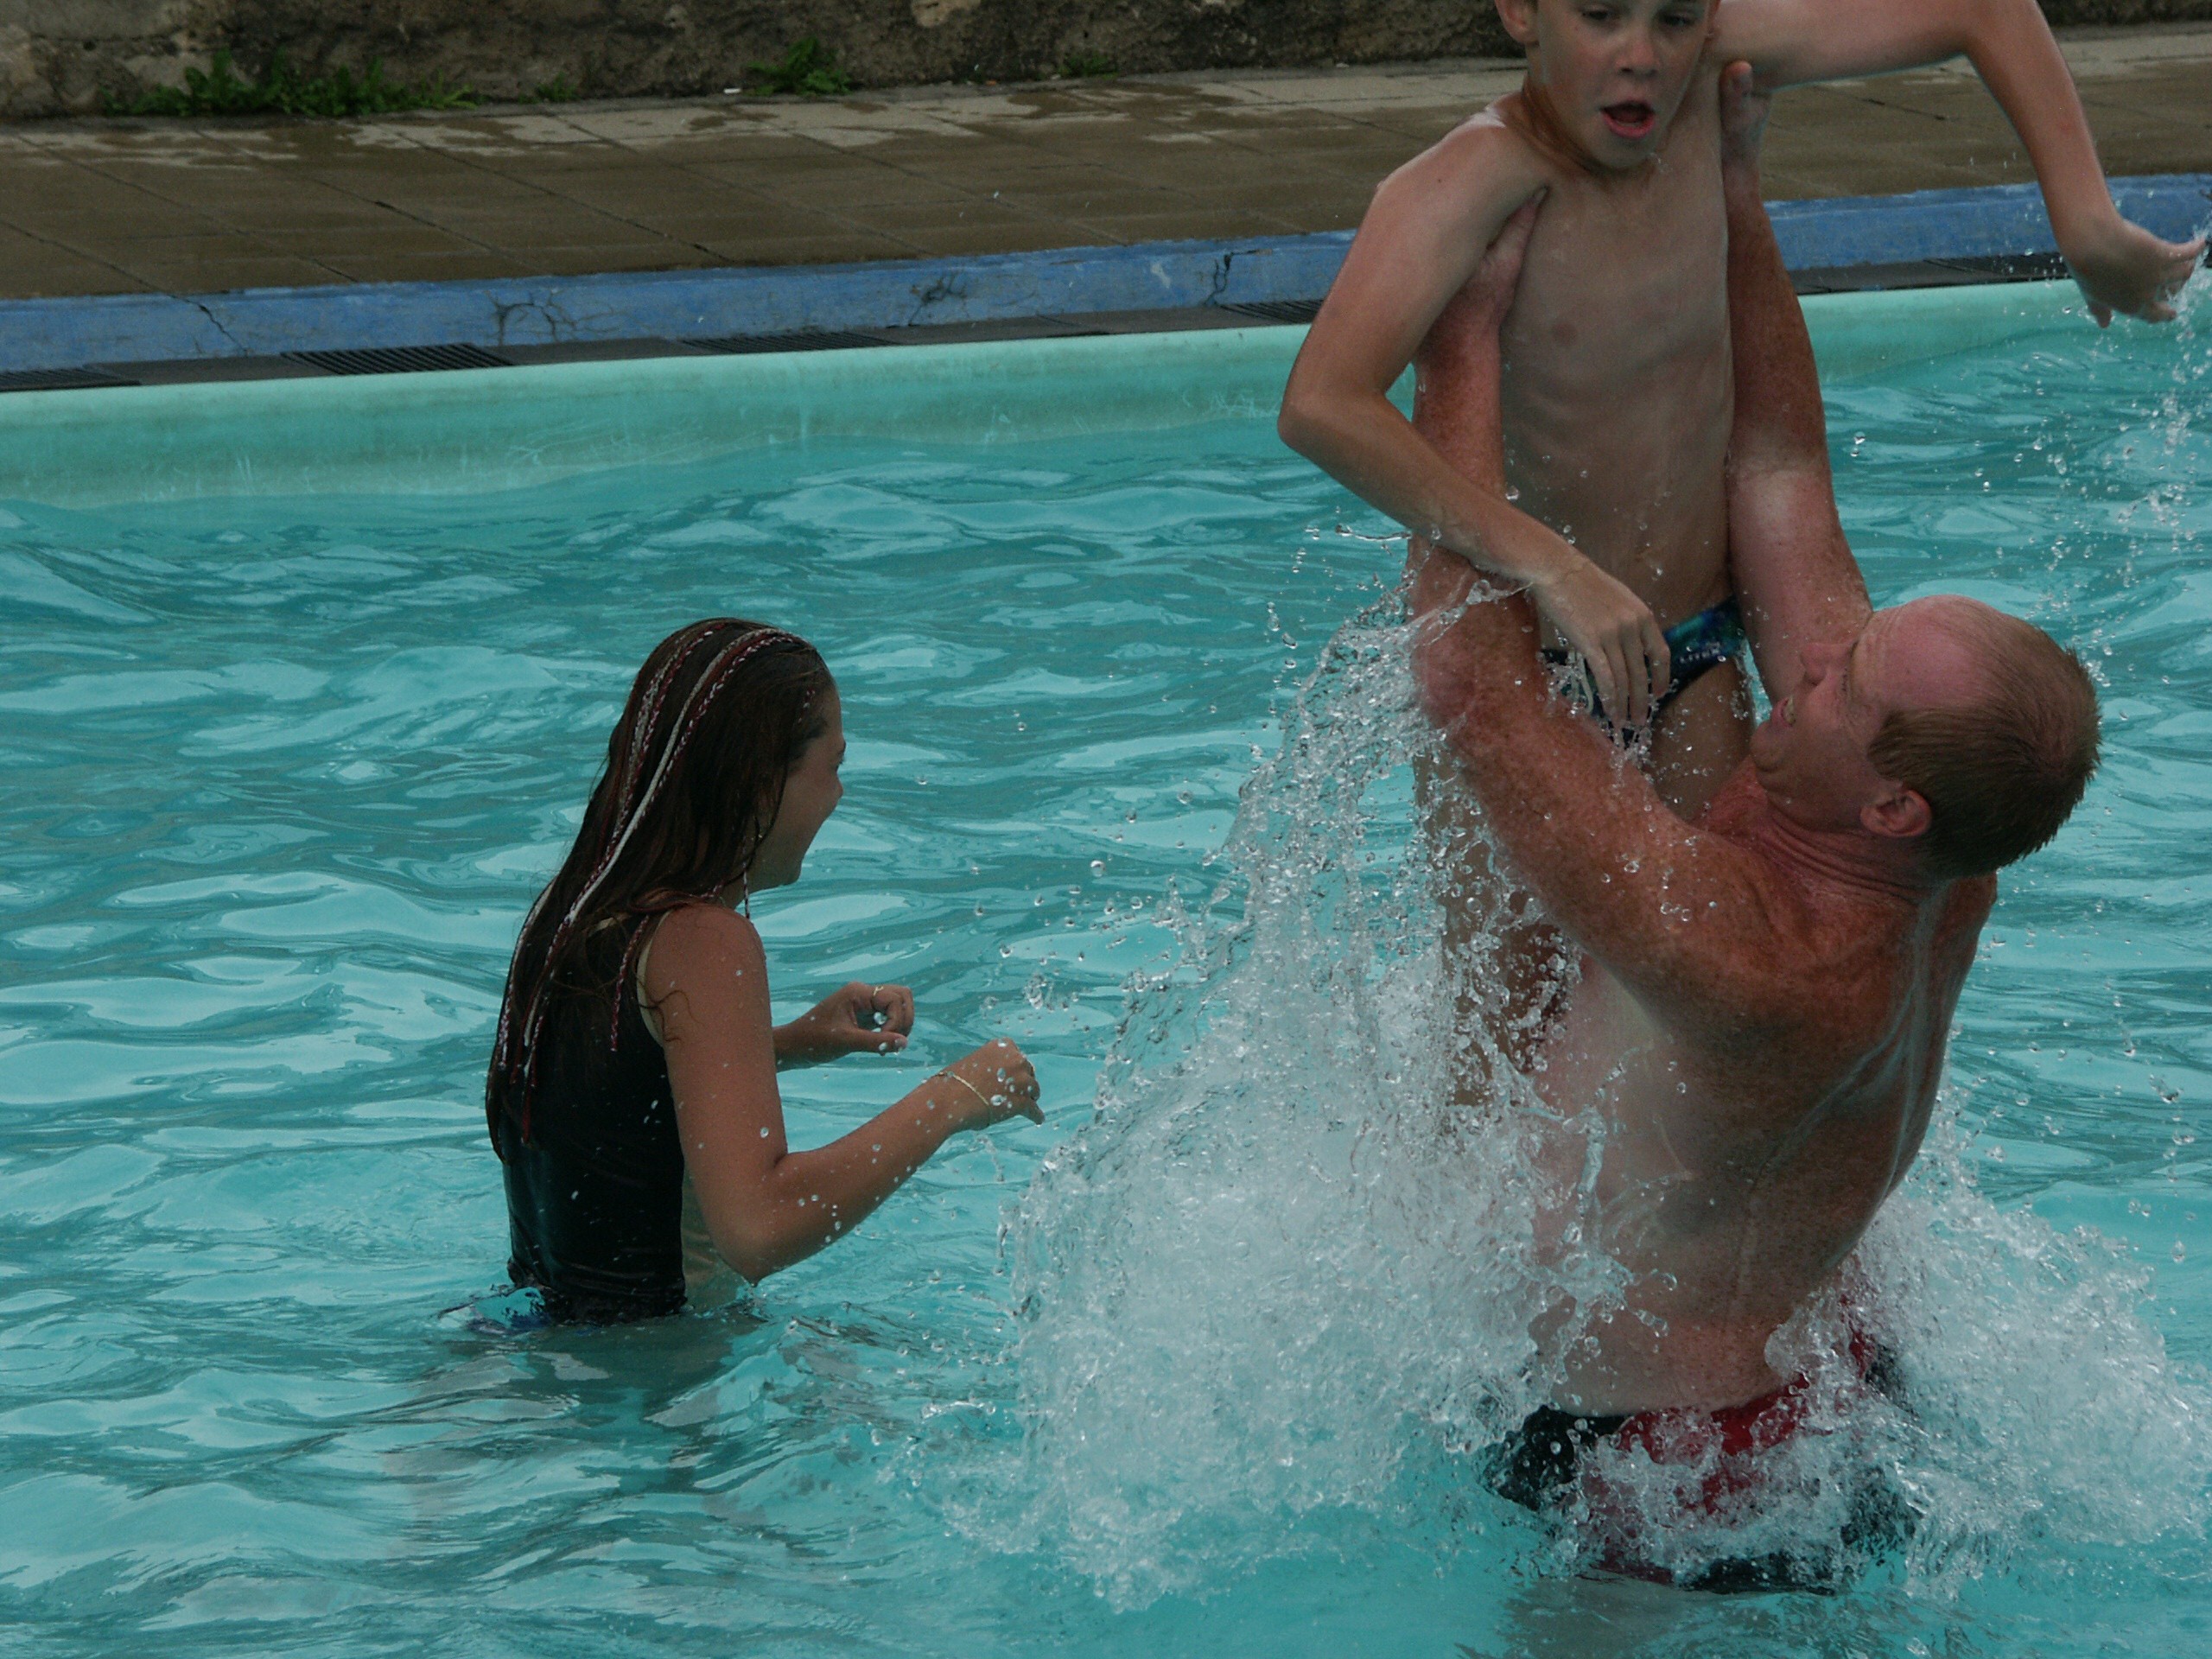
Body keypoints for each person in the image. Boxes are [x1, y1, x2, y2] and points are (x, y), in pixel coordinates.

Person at [1406, 73, 2100, 1583]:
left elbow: (1465, 684)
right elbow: (1780, 471)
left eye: (1844, 683)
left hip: (1664, 1460)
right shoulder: (1943, 858)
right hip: (1830, 1374)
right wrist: (1734, 202)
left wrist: (1455, 345)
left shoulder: (1755, 950)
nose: (1812, 661)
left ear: (1891, 802)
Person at [485, 619, 1041, 1324]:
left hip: (521, 1335)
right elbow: (757, 1229)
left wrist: (780, 1046)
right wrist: (954, 1097)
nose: (838, 794)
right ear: (759, 782)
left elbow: (610, 1102)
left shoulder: (571, 913)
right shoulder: (706, 940)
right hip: (660, 1375)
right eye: (832, 766)